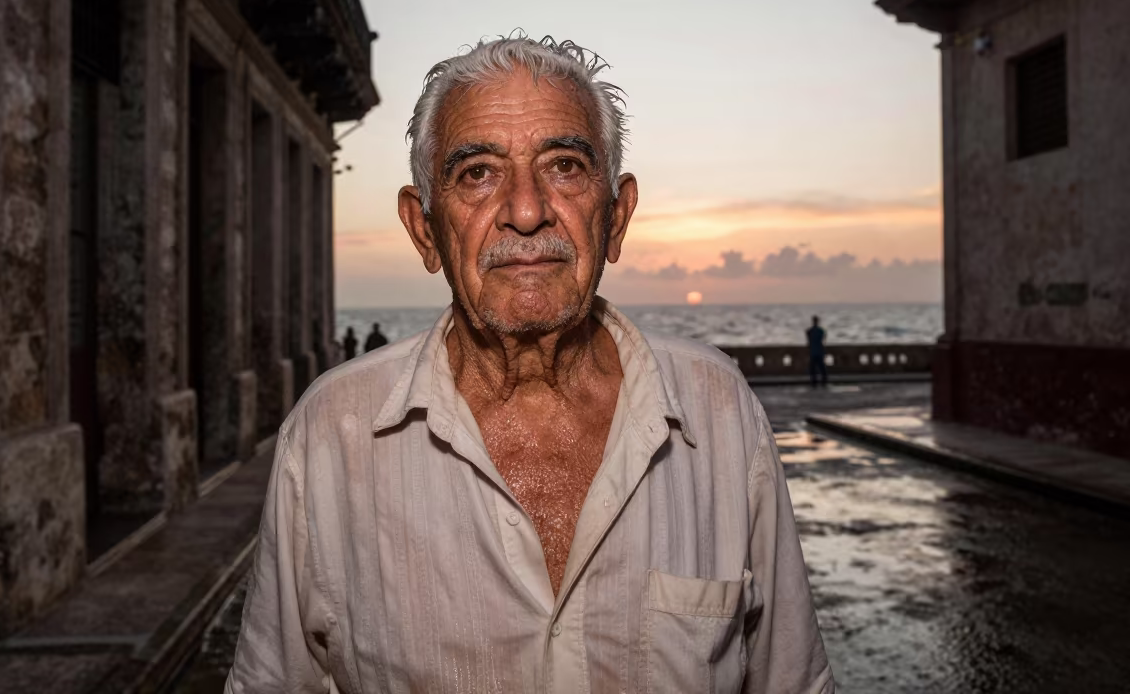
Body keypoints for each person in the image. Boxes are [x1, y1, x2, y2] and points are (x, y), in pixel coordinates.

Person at [226, 36, 834, 693]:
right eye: (478, 173)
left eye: (566, 166)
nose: (525, 210)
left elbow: (790, 680)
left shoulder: (718, 411)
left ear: (617, 217)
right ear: (424, 230)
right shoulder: (330, 434)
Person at [806, 315, 828, 387]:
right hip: (819, 351)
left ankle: (814, 382)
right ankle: (823, 381)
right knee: (821, 368)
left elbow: (809, 341)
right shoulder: (821, 331)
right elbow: (823, 340)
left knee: (813, 368)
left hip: (813, 351)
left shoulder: (809, 331)